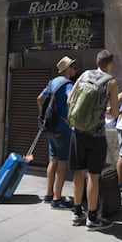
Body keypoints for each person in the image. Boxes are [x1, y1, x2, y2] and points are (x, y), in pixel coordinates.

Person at [68, 50, 119, 231]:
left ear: (97, 62)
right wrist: (102, 110)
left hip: (77, 132)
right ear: (110, 64)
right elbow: (114, 113)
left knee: (78, 173)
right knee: (94, 177)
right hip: (96, 136)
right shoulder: (111, 81)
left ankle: (76, 213)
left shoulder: (84, 74)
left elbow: (69, 100)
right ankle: (92, 218)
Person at [37, 56, 77, 209]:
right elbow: (70, 99)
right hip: (63, 129)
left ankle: (48, 194)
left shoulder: (52, 82)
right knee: (62, 163)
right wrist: (69, 118)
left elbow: (39, 99)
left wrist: (45, 117)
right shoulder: (68, 84)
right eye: (73, 67)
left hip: (50, 128)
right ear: (67, 69)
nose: (75, 69)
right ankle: (57, 199)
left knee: (52, 160)